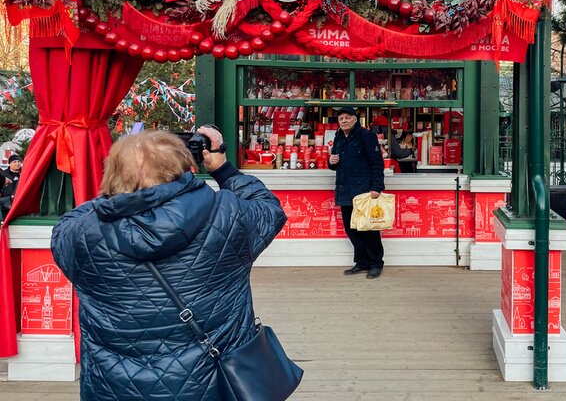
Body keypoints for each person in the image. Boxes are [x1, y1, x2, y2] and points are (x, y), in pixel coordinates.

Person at [50, 128, 286, 400]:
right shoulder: (227, 214)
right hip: (212, 385)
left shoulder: (81, 233)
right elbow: (269, 208)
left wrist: (121, 187)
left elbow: (77, 217)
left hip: (115, 389)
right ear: (186, 165)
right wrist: (222, 169)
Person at [328, 106, 385, 279]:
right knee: (351, 228)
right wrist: (331, 161)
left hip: (363, 191)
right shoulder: (338, 137)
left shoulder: (366, 136)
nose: (344, 121)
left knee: (368, 229)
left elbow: (377, 163)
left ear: (355, 119)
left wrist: (377, 187)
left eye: (347, 117)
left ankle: (376, 263)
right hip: (344, 189)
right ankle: (362, 262)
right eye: (341, 118)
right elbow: (335, 164)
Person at [0, 153, 22, 218]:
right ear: (9, 163)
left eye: (19, 162)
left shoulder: (24, 174)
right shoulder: (3, 175)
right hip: (6, 205)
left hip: (20, 204)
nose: (17, 163)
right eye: (14, 162)